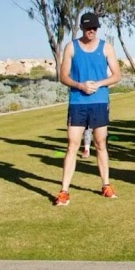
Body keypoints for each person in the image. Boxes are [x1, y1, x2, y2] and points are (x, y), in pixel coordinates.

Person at [54, 12, 122, 206]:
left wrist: (99, 84)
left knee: (101, 144)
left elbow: (117, 75)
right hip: (77, 103)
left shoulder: (106, 47)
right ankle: (64, 191)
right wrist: (81, 86)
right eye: (87, 28)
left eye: (94, 27)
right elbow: (63, 76)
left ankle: (106, 185)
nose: (91, 31)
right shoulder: (71, 47)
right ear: (82, 28)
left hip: (100, 102)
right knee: (72, 145)